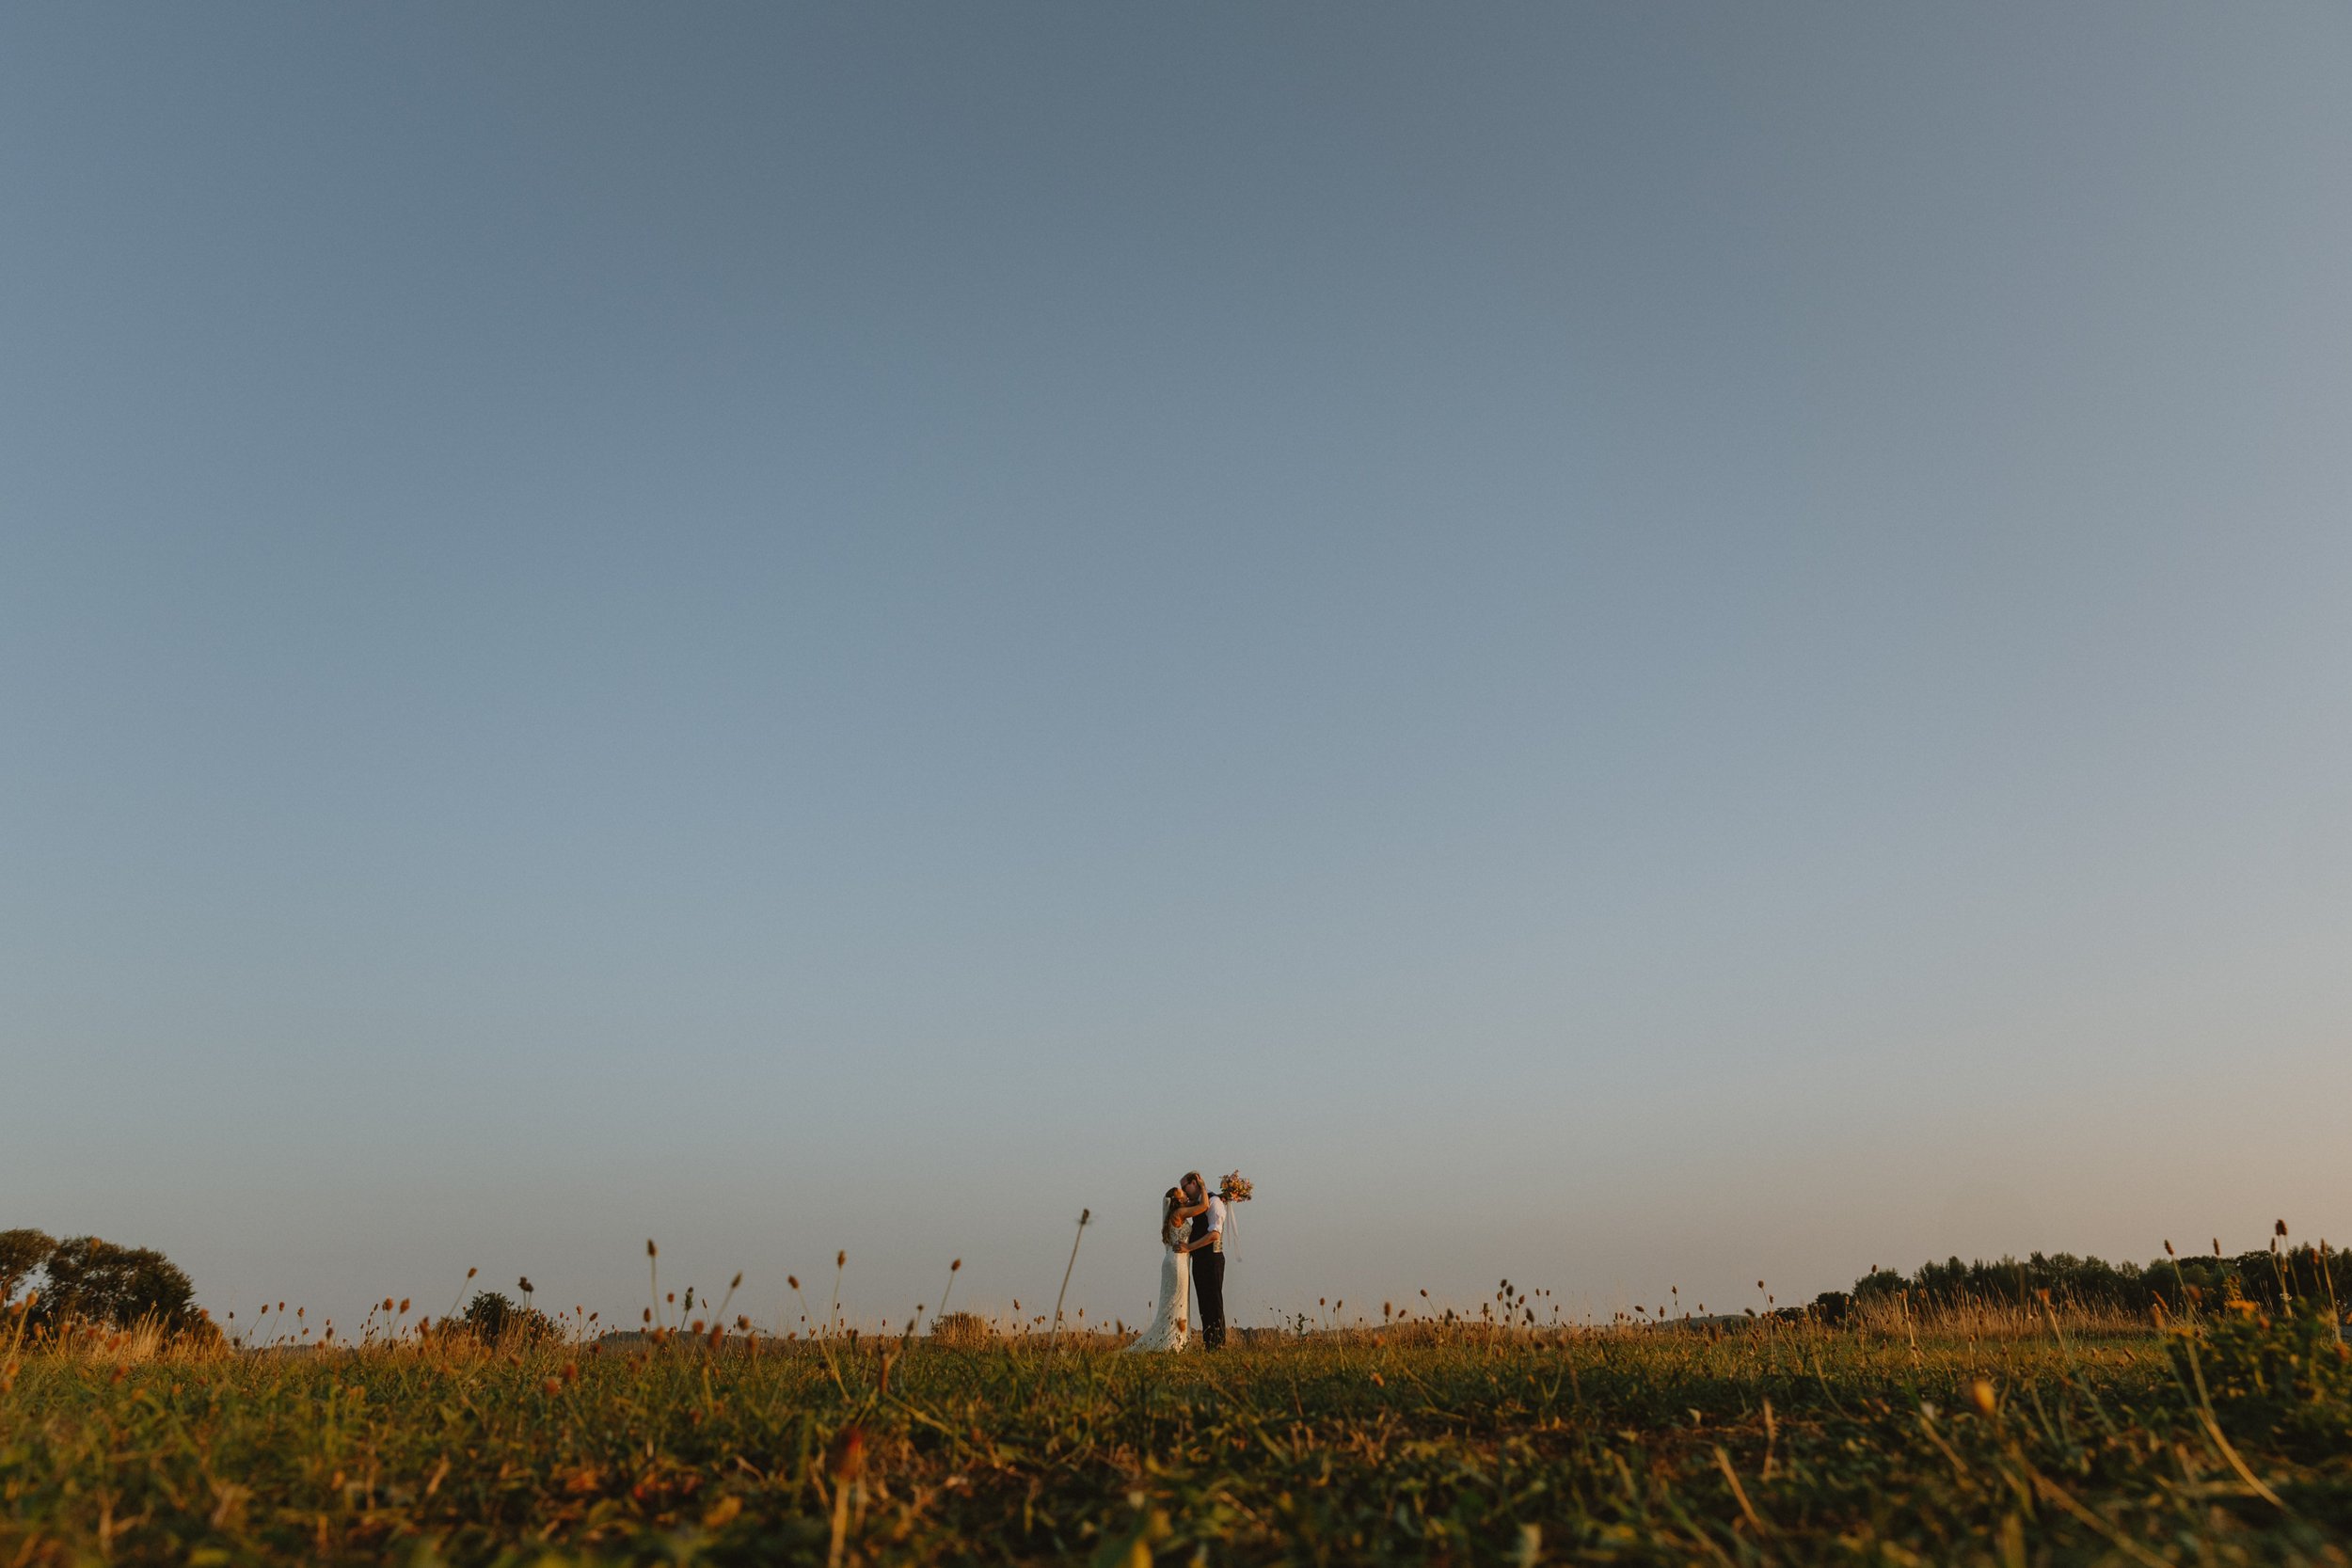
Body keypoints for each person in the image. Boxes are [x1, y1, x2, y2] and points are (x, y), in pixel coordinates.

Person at [1123, 1186, 1205, 1353]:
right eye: (1183, 1195)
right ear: (1178, 1201)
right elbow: (1203, 1206)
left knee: (1175, 1301)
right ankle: (1172, 1343)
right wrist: (1202, 1185)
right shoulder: (1180, 1213)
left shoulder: (1175, 1214)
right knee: (1176, 1302)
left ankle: (1175, 1340)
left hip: (1175, 1260)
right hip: (1177, 1262)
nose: (1185, 1195)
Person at [1178, 1170, 1228, 1349]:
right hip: (1200, 1260)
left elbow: (1214, 1234)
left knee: (1214, 1302)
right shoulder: (1199, 1203)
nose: (1183, 1191)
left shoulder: (1214, 1203)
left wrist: (1189, 1247)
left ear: (1194, 1183)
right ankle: (1209, 1343)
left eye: (1185, 1187)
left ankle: (1218, 1343)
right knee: (1203, 1303)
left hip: (1211, 1259)